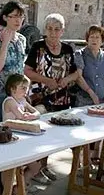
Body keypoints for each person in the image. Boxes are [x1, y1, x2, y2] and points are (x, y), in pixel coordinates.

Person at [24, 13, 78, 184]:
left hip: (61, 99)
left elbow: (76, 73)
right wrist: (47, 81)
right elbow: (27, 71)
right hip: (40, 98)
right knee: (40, 133)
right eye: (49, 29)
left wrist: (65, 80)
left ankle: (43, 166)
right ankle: (35, 169)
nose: (53, 33)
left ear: (62, 31)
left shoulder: (68, 49)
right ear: (45, 30)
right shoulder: (38, 47)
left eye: (56, 29)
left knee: (52, 136)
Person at [0, 0, 28, 124]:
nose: (18, 20)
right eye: (14, 16)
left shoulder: (22, 39)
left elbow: (20, 68)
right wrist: (5, 43)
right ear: (5, 17)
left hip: (16, 96)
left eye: (20, 16)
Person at [1, 74, 41, 195]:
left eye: (27, 88)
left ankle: (20, 187)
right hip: (10, 139)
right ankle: (11, 193)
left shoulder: (23, 101)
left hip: (22, 138)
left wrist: (31, 115)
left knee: (35, 166)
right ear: (13, 89)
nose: (26, 91)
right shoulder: (10, 101)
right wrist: (29, 116)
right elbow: (20, 115)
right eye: (23, 88)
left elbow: (37, 112)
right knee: (10, 169)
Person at [74, 25, 104, 106]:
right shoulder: (79, 54)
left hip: (102, 102)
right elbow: (78, 77)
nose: (94, 40)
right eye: (92, 37)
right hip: (84, 102)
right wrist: (91, 93)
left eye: (97, 37)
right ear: (87, 39)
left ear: (102, 40)